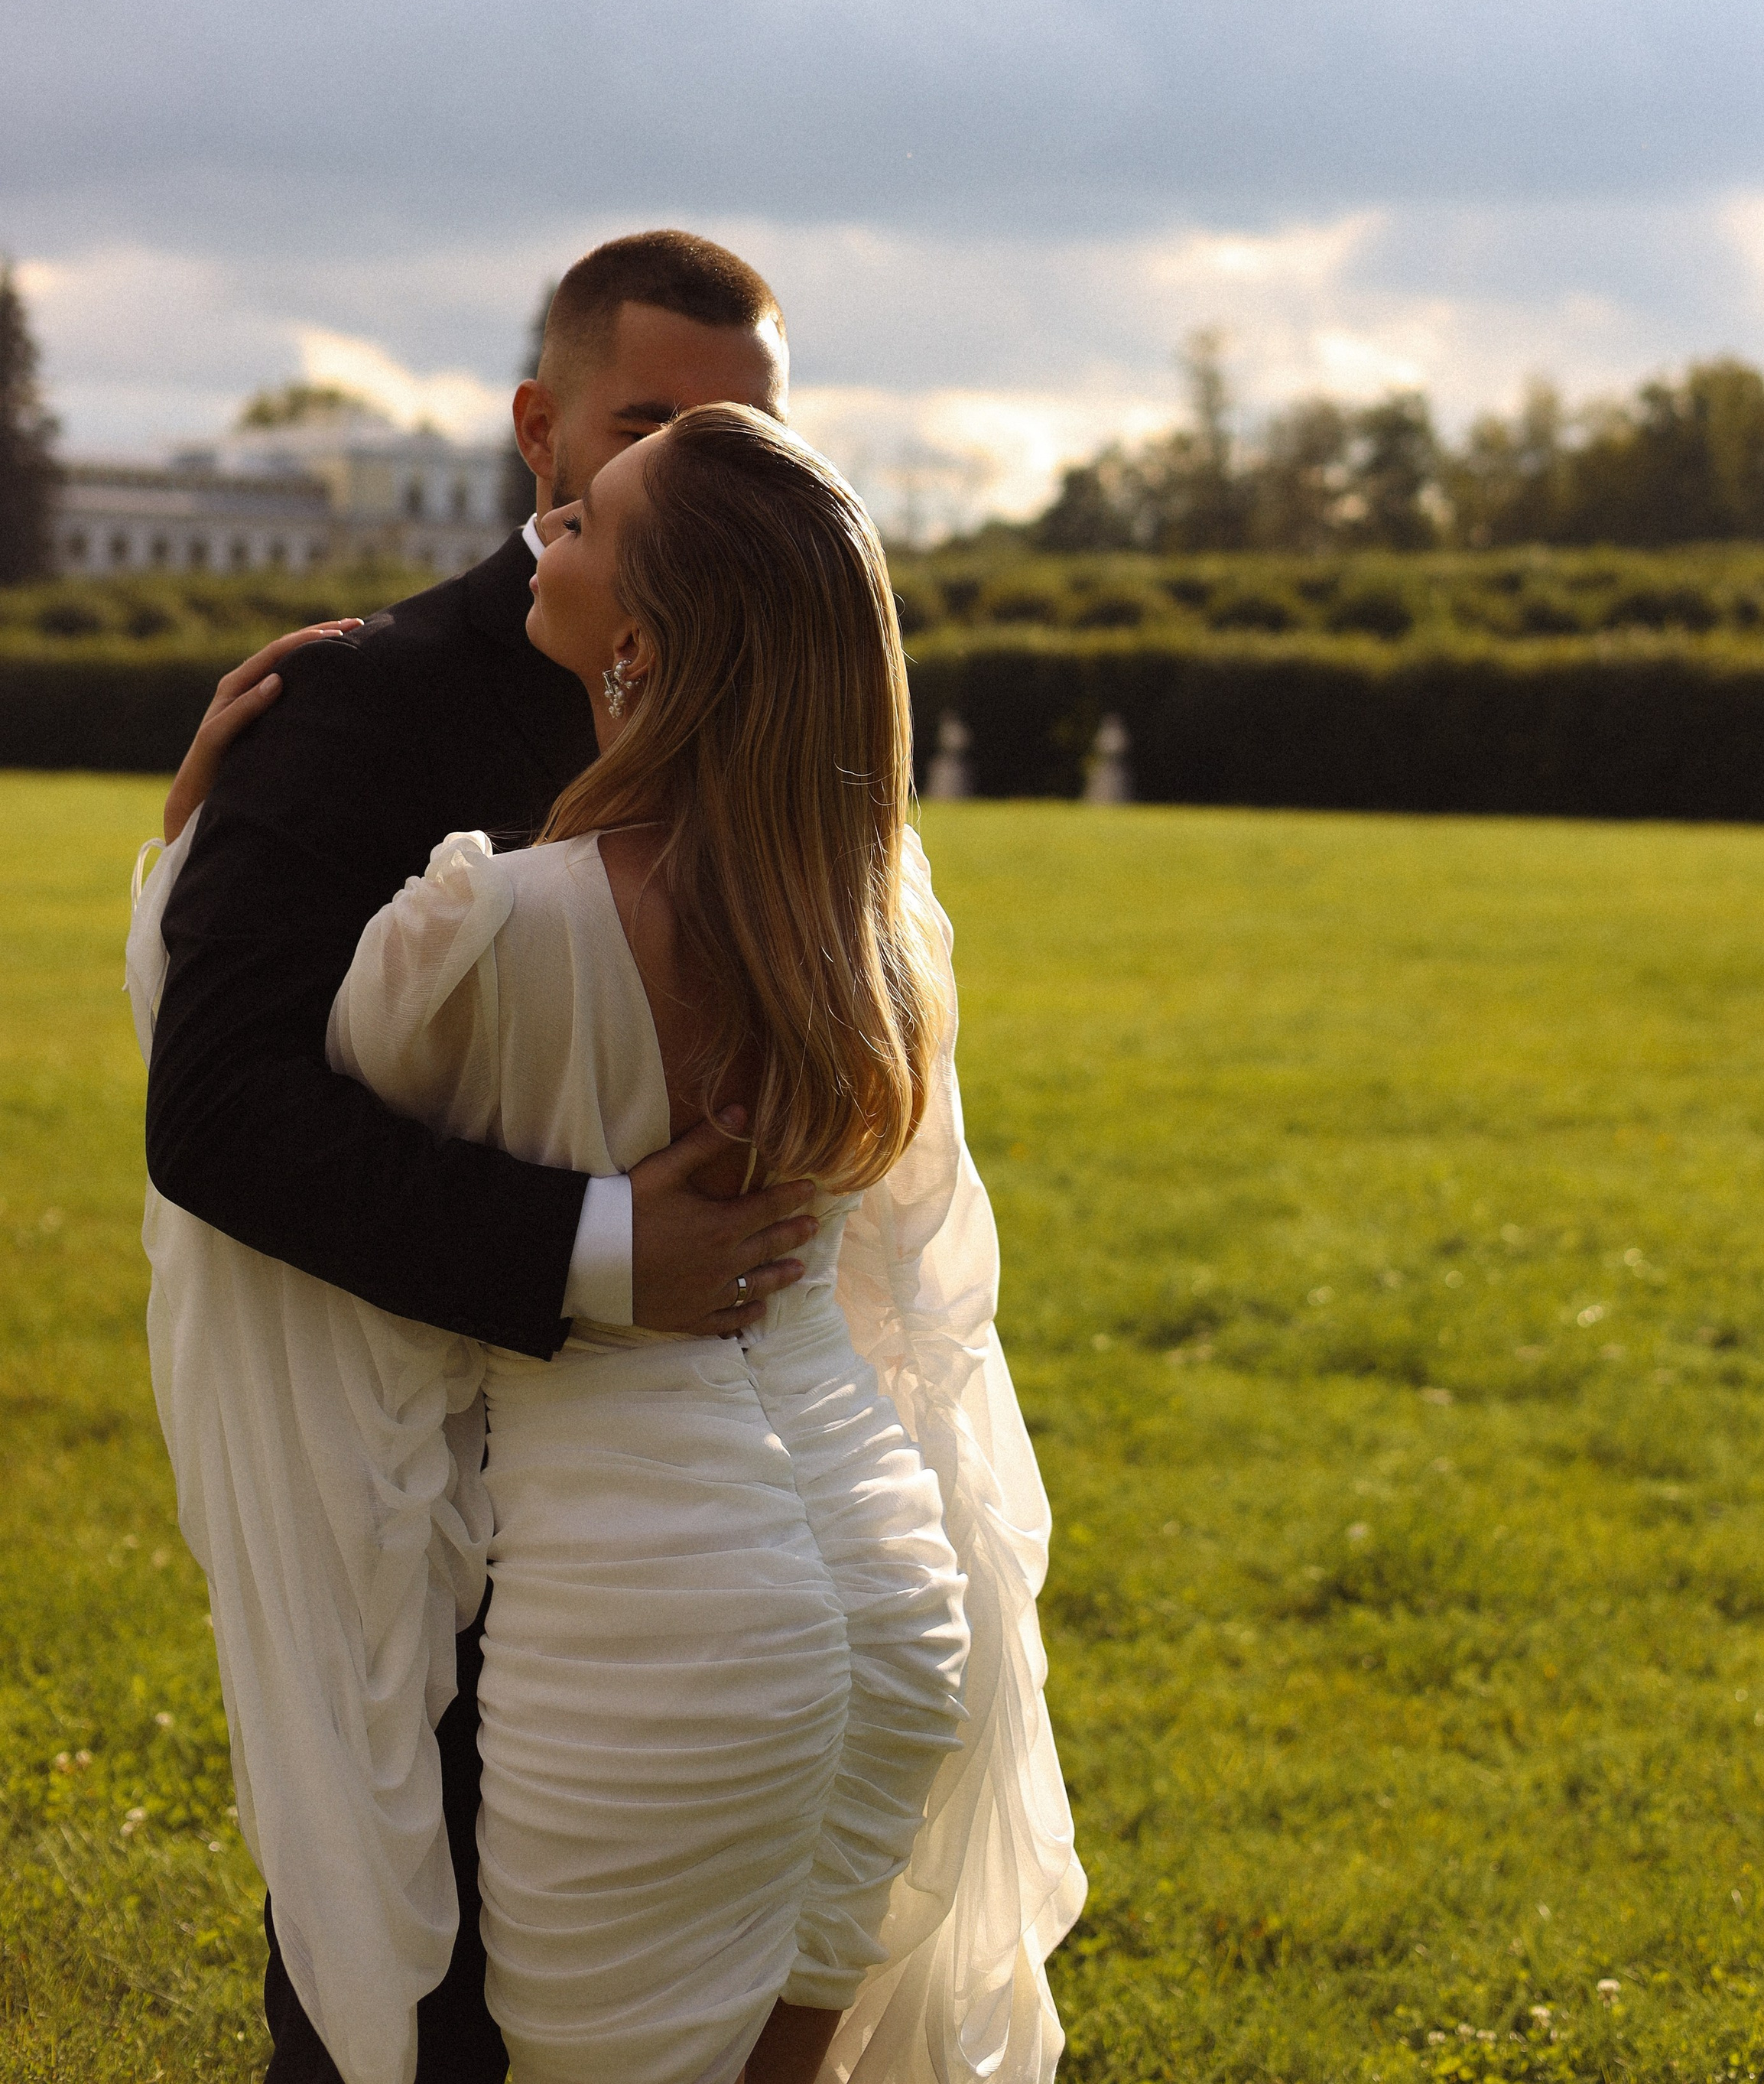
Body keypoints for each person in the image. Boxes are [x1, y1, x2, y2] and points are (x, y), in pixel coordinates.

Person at [132, 406, 1082, 2084]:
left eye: (580, 525)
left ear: (636, 640)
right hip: (884, 1583)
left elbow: (251, 1124)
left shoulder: (497, 926)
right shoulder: (879, 929)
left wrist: (188, 854)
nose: (541, 533)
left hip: (652, 1619)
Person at [142, 232, 833, 2080]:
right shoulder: (358, 707)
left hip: (708, 1531)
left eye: (745, 435)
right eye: (652, 424)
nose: (703, 476)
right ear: (542, 435)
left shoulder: (784, 744)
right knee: (409, 2021)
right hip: (410, 1511)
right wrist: (599, 1248)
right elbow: (214, 1110)